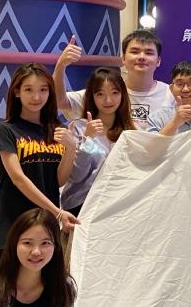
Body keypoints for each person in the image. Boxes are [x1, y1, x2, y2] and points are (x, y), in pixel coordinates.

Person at [0, 64, 80, 275]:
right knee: (4, 295)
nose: (36, 97)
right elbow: (18, 178)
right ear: (17, 92)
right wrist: (57, 212)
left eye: (43, 90)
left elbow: (57, 181)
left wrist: (71, 148)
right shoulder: (5, 130)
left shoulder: (56, 130)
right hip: (10, 227)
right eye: (28, 89)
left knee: (45, 294)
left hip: (45, 233)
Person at [53, 29, 174, 130]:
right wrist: (61, 65)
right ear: (123, 59)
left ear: (158, 61)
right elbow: (60, 102)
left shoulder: (172, 94)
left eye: (149, 53)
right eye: (135, 52)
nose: (142, 57)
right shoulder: (107, 91)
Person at [57, 67, 135, 218]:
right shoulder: (78, 127)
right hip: (81, 205)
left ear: (123, 95)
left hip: (118, 205)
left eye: (115, 93)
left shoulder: (131, 131)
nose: (108, 100)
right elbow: (76, 176)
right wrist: (88, 139)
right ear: (91, 97)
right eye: (100, 94)